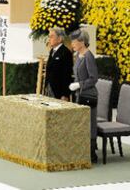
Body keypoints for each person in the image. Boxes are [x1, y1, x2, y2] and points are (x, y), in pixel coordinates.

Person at [69, 29, 99, 163]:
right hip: (79, 94)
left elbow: (93, 78)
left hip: (88, 94)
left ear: (82, 42)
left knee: (89, 123)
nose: (72, 44)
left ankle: (91, 153)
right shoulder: (78, 55)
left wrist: (79, 84)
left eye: (74, 41)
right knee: (80, 122)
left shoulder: (88, 56)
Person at [45, 27, 73, 100]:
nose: (49, 39)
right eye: (49, 36)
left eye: (52, 36)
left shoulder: (66, 52)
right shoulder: (52, 51)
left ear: (60, 39)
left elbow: (67, 75)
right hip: (49, 88)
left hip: (59, 92)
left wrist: (65, 94)